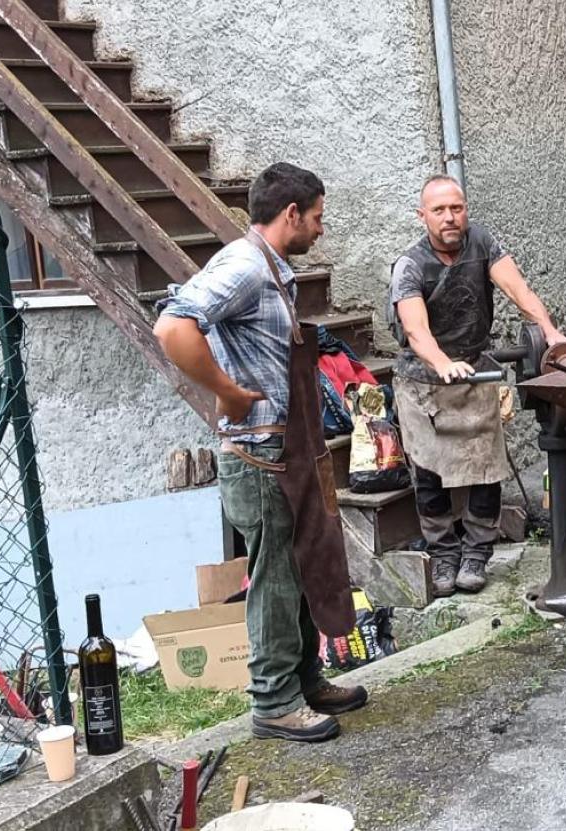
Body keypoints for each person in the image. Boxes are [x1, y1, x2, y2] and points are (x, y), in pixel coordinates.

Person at [155, 163, 368, 744]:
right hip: (258, 457)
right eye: (318, 218)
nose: (321, 231)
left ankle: (303, 679)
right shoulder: (245, 267)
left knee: (299, 566)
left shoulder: (272, 270)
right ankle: (274, 702)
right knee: (275, 577)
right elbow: (172, 327)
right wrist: (226, 391)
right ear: (292, 214)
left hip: (288, 451)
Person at [390, 176, 566, 598]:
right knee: (430, 473)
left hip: (475, 374)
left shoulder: (482, 243)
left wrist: (550, 332)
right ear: (422, 216)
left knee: (486, 470)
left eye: (457, 208)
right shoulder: (409, 265)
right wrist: (441, 363)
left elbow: (517, 289)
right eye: (439, 210)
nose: (450, 218)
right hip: (423, 384)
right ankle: (444, 554)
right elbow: (416, 331)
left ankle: (477, 554)